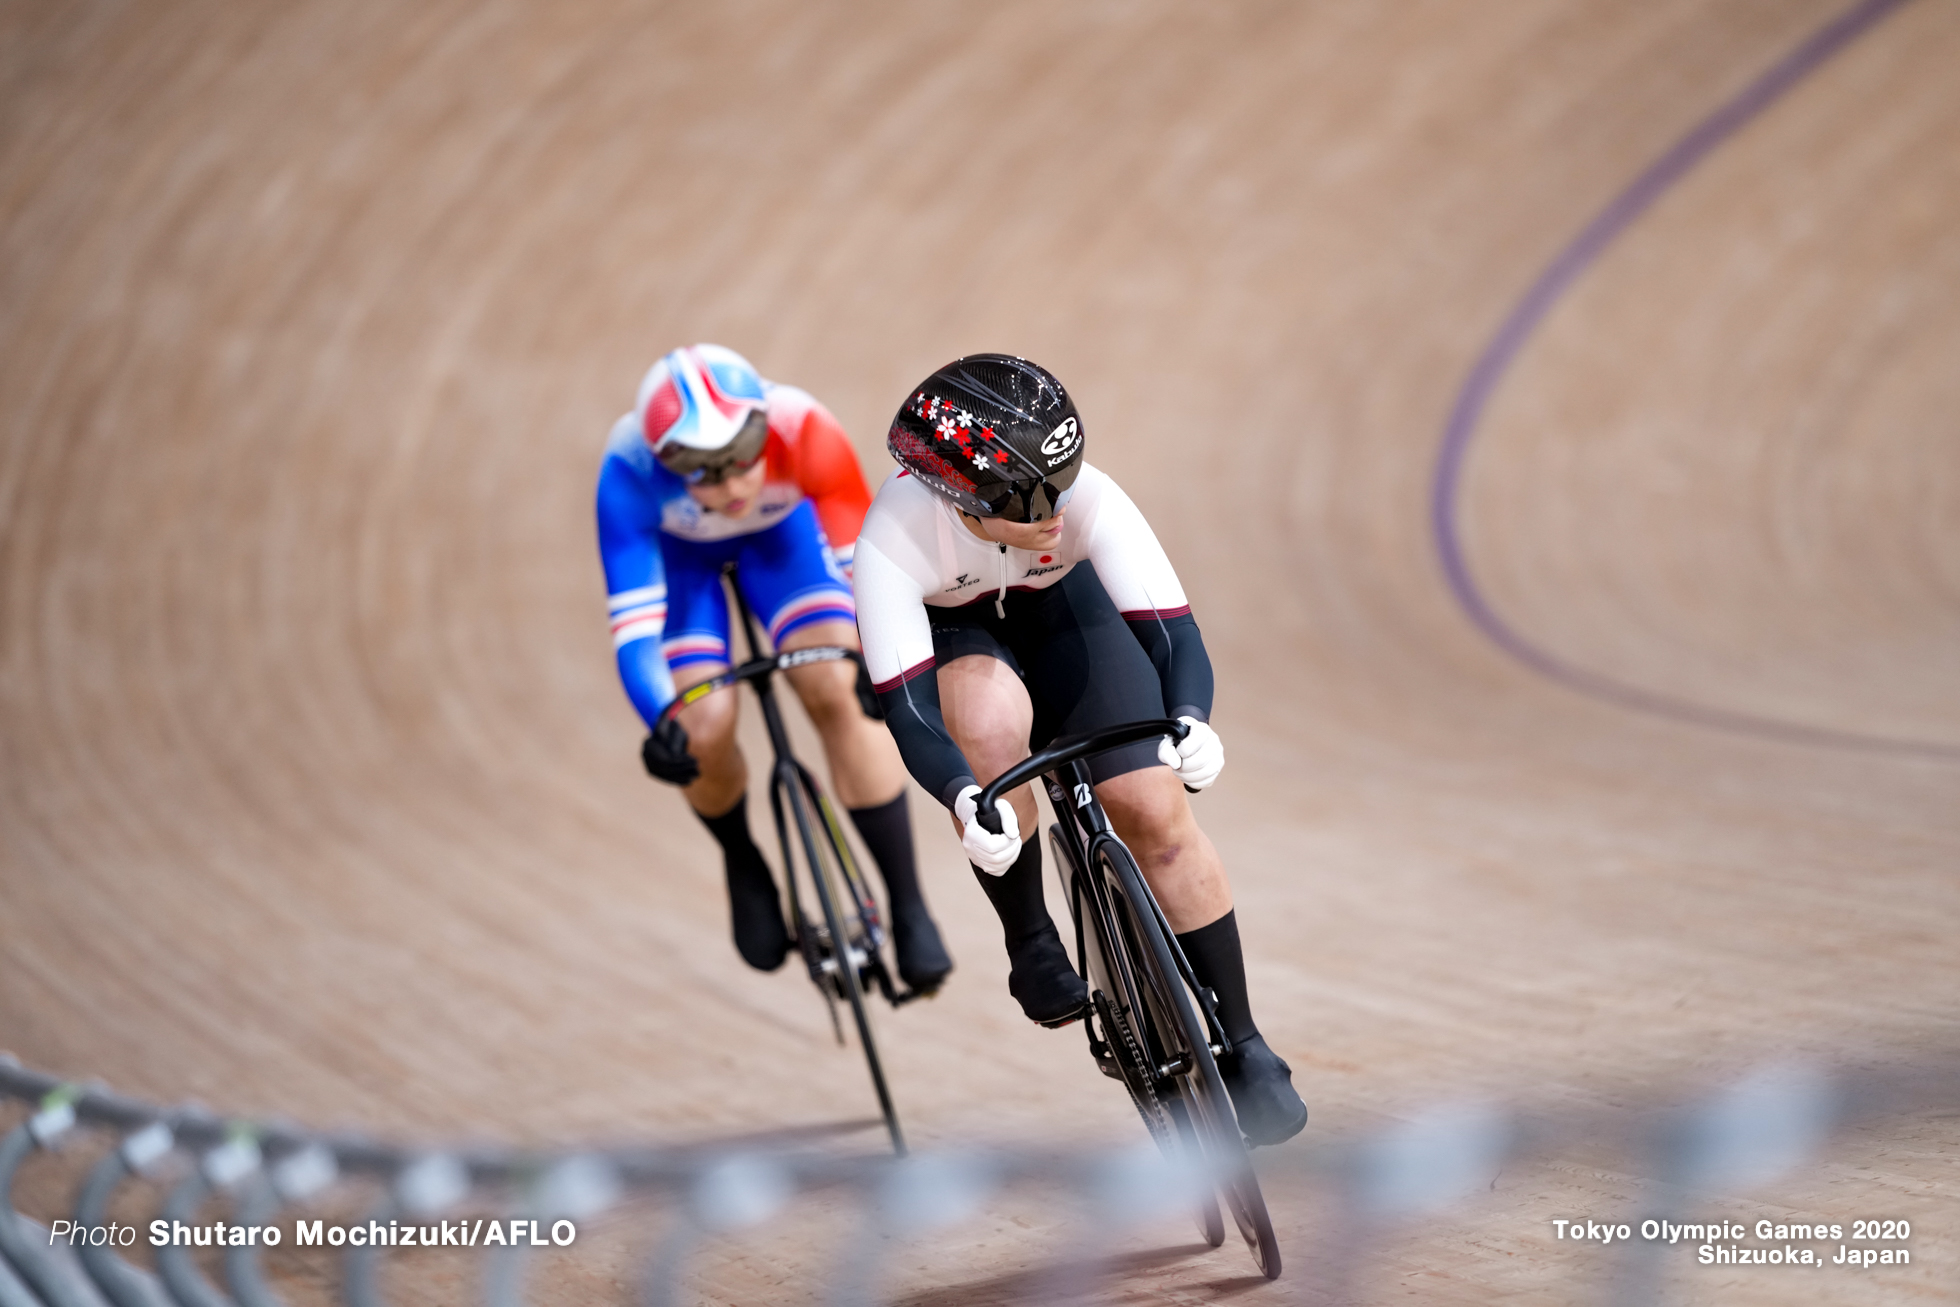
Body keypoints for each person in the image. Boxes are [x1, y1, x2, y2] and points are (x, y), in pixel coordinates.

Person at [850, 353, 1306, 1145]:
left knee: (1152, 808)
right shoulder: (891, 542)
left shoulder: (1079, 500)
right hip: (958, 627)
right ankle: (1029, 934)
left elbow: (1172, 631)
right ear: (963, 498)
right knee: (990, 730)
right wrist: (964, 797)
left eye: (1064, 473)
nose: (1056, 505)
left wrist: (1191, 717)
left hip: (1061, 604)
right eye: (1030, 495)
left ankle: (1246, 1037)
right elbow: (910, 710)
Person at [596, 343, 952, 993]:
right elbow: (637, 625)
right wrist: (662, 718)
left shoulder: (806, 428)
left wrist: (881, 659)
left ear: (765, 426)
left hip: (782, 544)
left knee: (837, 686)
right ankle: (742, 855)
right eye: (703, 473)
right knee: (702, 725)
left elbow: (863, 566)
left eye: (742, 458)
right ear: (663, 459)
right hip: (685, 570)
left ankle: (907, 901)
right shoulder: (625, 469)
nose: (731, 486)